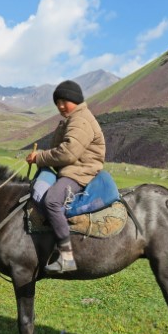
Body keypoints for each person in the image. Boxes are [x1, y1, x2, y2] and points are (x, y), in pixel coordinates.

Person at [26, 80, 106, 273]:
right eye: (57, 103)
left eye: (64, 101)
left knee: (52, 200)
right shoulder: (72, 119)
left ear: (75, 100)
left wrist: (40, 157)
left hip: (80, 171)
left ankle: (67, 257)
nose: (60, 106)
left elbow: (69, 153)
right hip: (71, 169)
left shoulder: (81, 120)